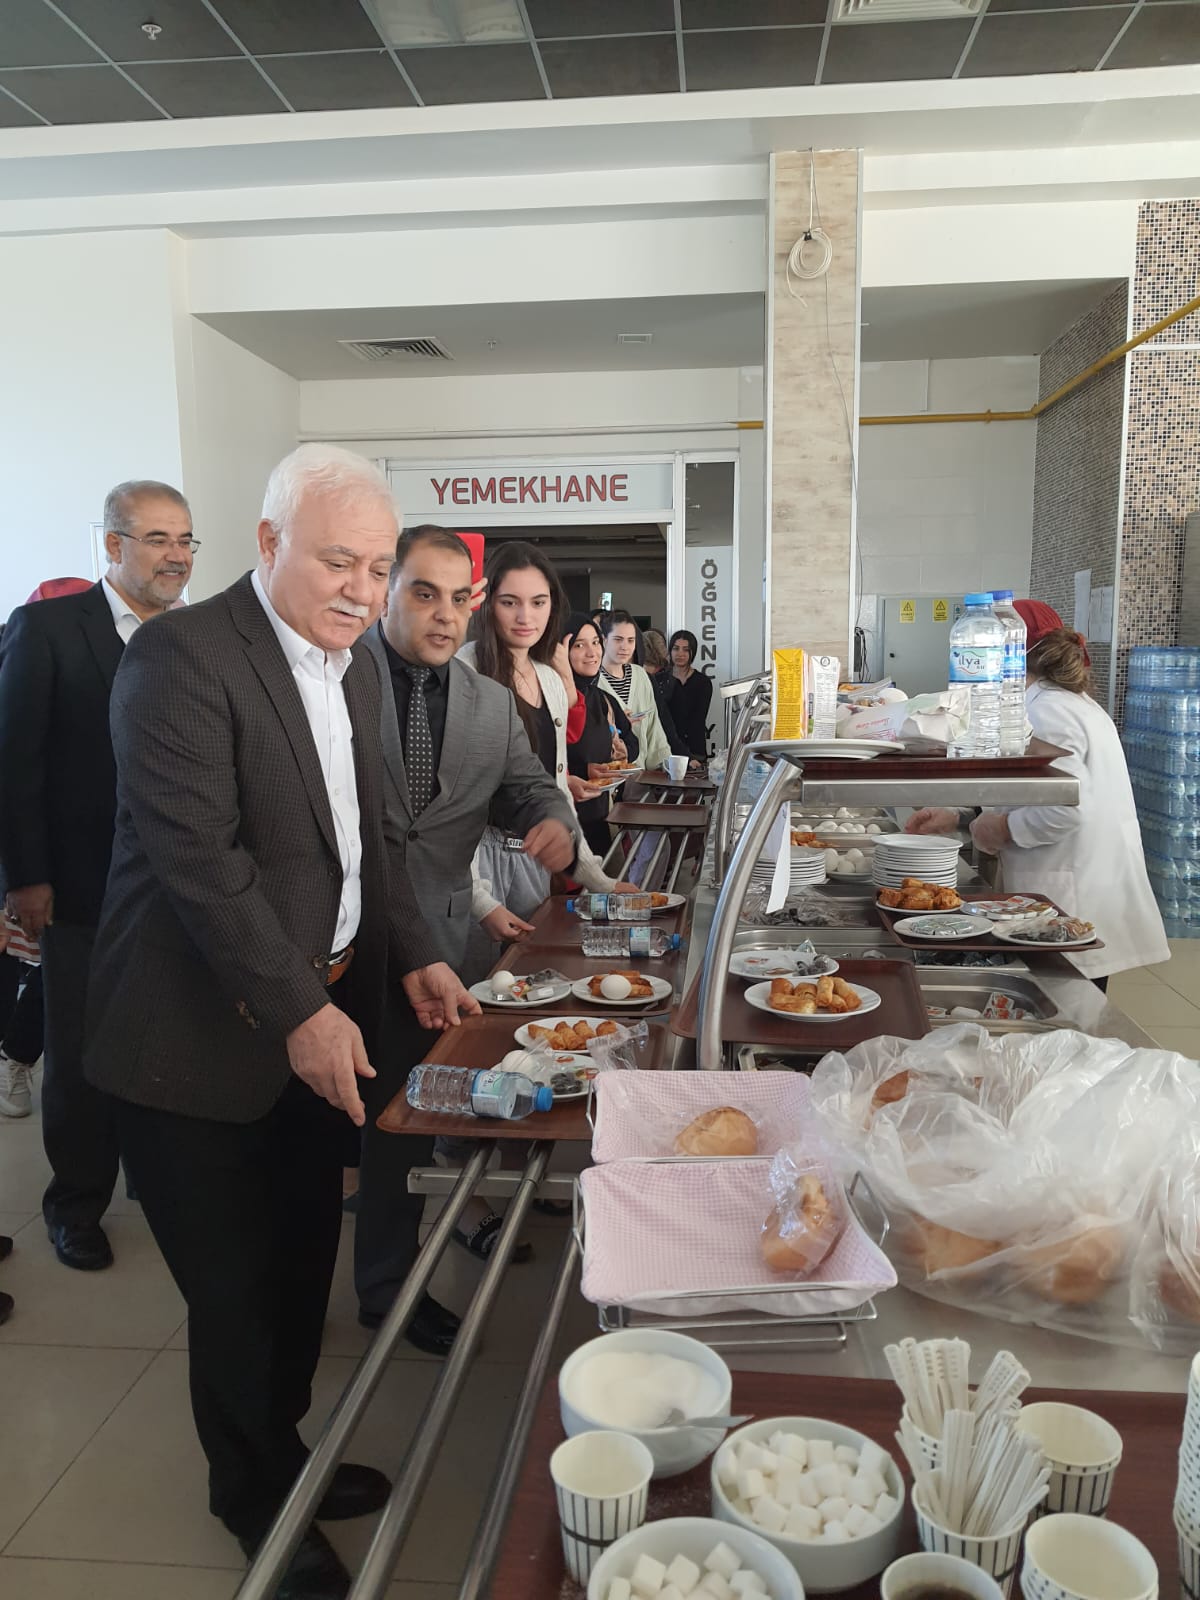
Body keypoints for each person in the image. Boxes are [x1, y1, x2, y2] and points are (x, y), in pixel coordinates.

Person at [83, 445, 475, 1599]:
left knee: (304, 1261)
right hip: (191, 1043)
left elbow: (370, 843)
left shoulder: (354, 669)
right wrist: (304, 1007)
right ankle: (251, 1496)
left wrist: (416, 956)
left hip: (319, 1017)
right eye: (337, 561)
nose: (362, 589)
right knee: (236, 1294)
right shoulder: (180, 659)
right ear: (267, 543)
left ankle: (284, 1451)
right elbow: (202, 865)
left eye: (377, 567)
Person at [354, 524, 577, 1339]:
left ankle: (385, 1288)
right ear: (386, 591)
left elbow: (526, 786)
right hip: (340, 935)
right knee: (320, 1125)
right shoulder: (336, 677)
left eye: (459, 598)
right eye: (424, 593)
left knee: (403, 1117)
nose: (445, 615)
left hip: (439, 942)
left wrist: (552, 820)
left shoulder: (487, 702)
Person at [0, 488, 195, 1271]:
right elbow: (15, 761)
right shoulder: (48, 629)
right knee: (80, 1054)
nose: (176, 555)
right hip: (81, 886)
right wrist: (26, 878)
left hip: (178, 886)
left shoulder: (192, 636)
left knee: (166, 1041)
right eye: (158, 538)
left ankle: (157, 1179)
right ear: (112, 546)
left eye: (185, 540)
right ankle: (75, 1204)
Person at [907, 599, 1167, 987]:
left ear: (1007, 654)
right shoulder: (1061, 702)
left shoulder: (1046, 711)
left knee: (1071, 1002)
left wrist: (1004, 829)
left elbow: (1066, 808)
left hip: (1072, 893)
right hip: (1080, 886)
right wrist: (961, 817)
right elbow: (1031, 790)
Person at [459, 543, 634, 963]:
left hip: (533, 863)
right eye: (510, 602)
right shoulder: (464, 670)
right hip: (474, 863)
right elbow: (451, 805)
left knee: (533, 980)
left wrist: (596, 877)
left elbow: (554, 790)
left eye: (538, 602)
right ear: (487, 604)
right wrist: (478, 900)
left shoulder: (549, 679)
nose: (526, 617)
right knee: (478, 986)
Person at [563, 613, 639, 860]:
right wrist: (582, 770)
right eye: (579, 645)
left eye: (595, 642)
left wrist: (621, 752)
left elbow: (633, 744)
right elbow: (537, 758)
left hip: (598, 820)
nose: (591, 653)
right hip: (560, 824)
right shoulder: (549, 699)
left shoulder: (601, 699)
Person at [598, 610, 674, 771]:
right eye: (618, 639)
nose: (625, 647)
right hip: (606, 773)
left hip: (640, 772)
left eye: (630, 640)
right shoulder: (594, 680)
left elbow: (654, 727)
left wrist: (665, 764)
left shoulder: (640, 675)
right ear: (604, 640)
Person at [668, 629, 714, 761]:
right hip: (667, 750)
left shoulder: (703, 682)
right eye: (676, 648)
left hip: (695, 750)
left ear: (692, 652)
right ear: (670, 651)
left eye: (686, 649)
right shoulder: (660, 680)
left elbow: (698, 719)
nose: (680, 654)